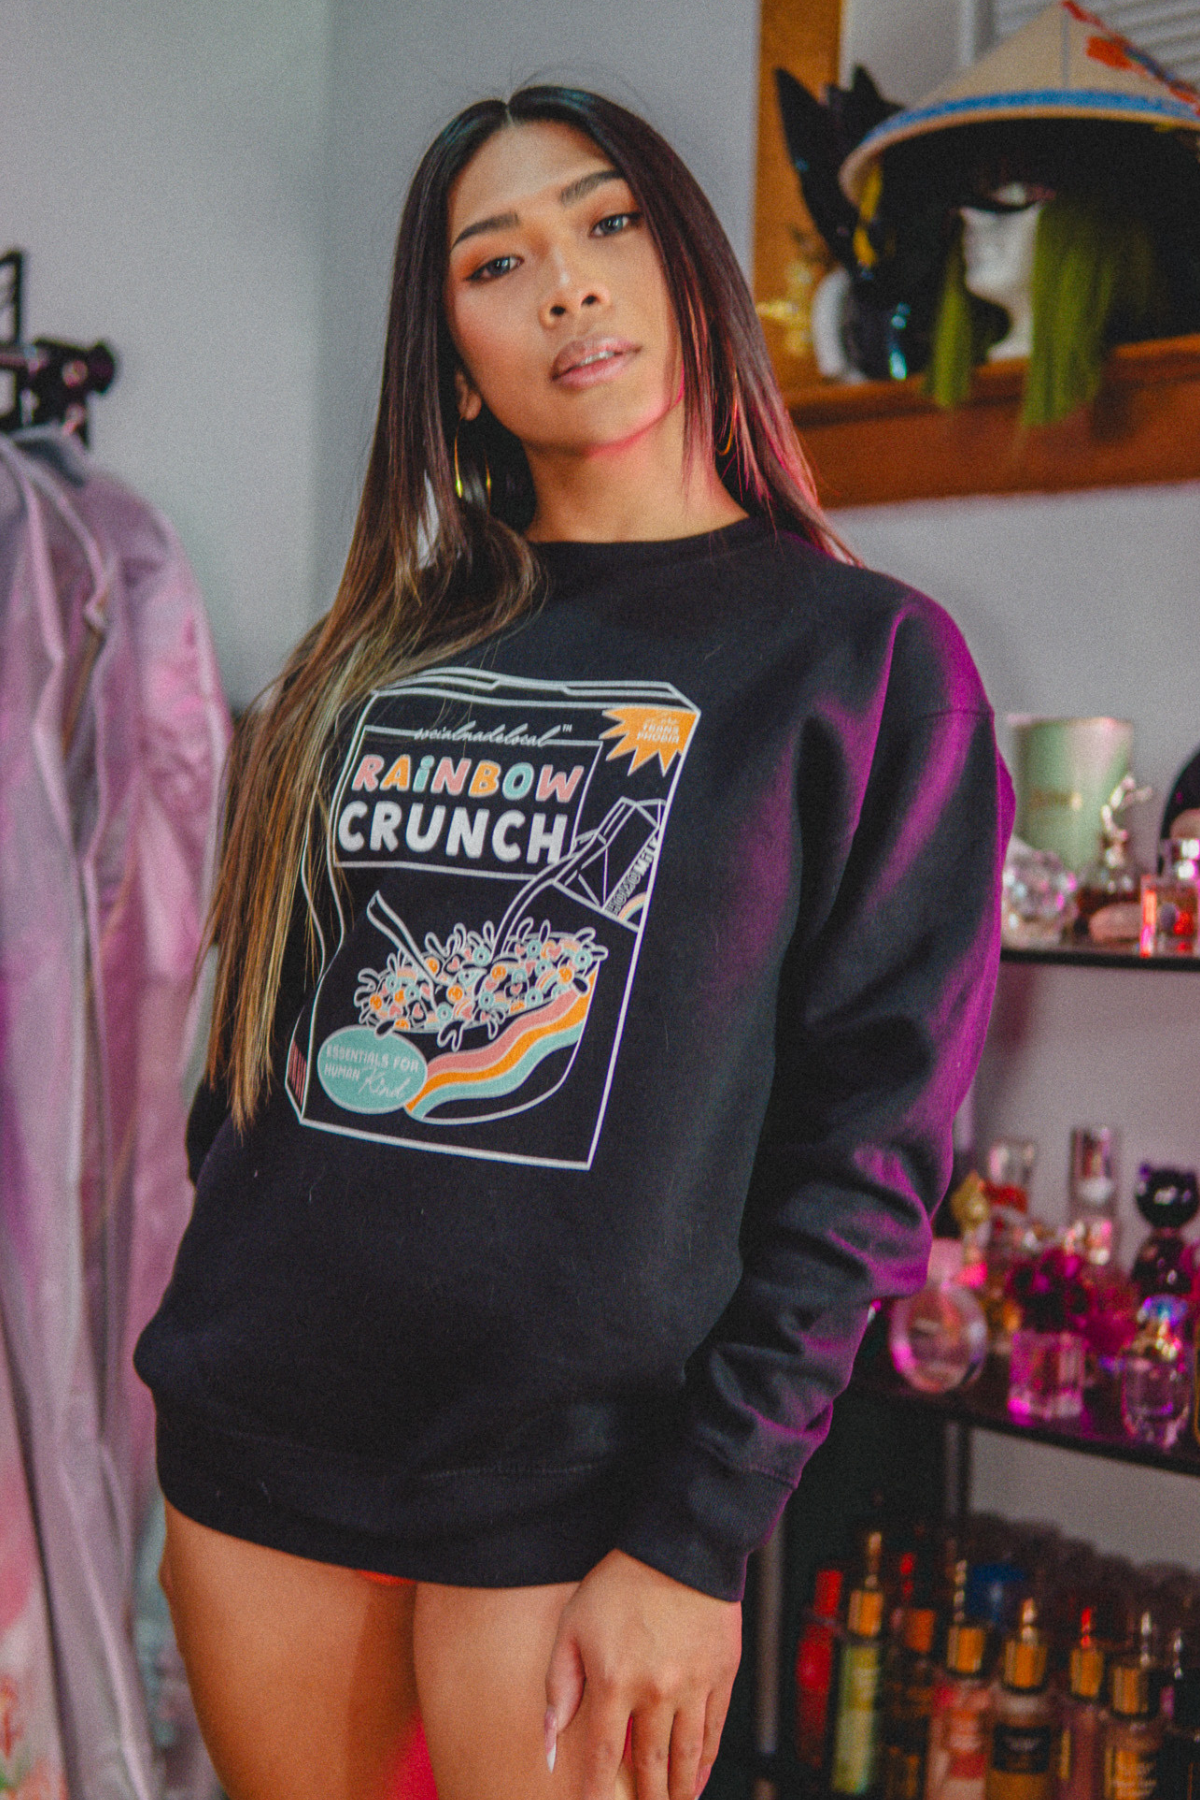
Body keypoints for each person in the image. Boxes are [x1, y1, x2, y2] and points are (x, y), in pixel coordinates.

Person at [134, 84, 1013, 1800]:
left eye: (608, 223)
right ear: (456, 363)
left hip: (585, 1495)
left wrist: (699, 1535)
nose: (569, 284)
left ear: (690, 272)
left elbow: (868, 1153)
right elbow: (253, 1075)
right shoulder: (362, 659)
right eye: (498, 260)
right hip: (262, 1445)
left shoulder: (867, 663)